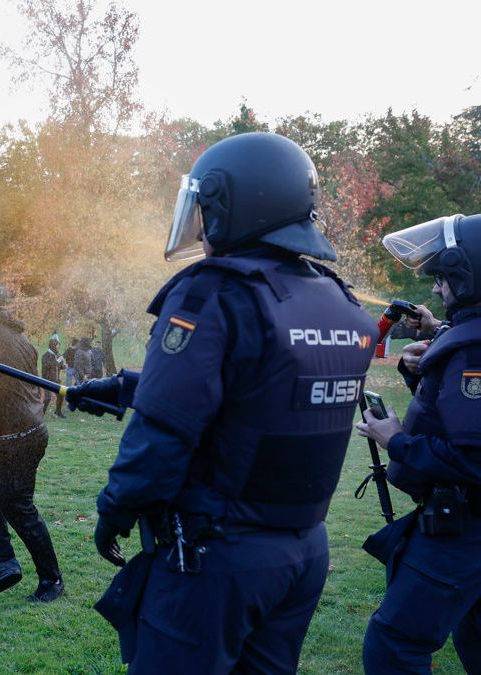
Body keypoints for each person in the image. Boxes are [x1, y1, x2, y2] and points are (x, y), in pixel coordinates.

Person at [85, 132, 375, 672]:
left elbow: (165, 429)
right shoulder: (335, 298)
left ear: (230, 206)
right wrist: (127, 385)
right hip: (302, 551)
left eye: (205, 208)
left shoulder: (213, 293)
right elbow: (258, 391)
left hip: (216, 558)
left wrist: (115, 508)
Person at [355, 213, 481, 673]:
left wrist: (396, 442)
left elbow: (473, 460)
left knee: (394, 644)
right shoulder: (464, 342)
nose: (435, 290)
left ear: (468, 278)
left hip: (463, 528)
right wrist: (426, 360)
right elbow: (461, 422)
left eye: (443, 279)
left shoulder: (472, 352)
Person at [0, 300, 64, 602]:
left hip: (12, 437)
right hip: (32, 431)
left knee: (19, 507)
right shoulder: (21, 338)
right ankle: (4, 560)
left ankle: (51, 579)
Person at [40, 337, 66, 418]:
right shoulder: (45, 355)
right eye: (57, 346)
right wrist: (57, 361)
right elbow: (47, 366)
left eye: (59, 347)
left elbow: (59, 366)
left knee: (61, 394)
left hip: (56, 380)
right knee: (47, 398)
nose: (58, 348)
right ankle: (40, 415)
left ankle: (58, 412)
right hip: (47, 380)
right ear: (52, 346)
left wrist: (63, 366)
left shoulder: (58, 355)